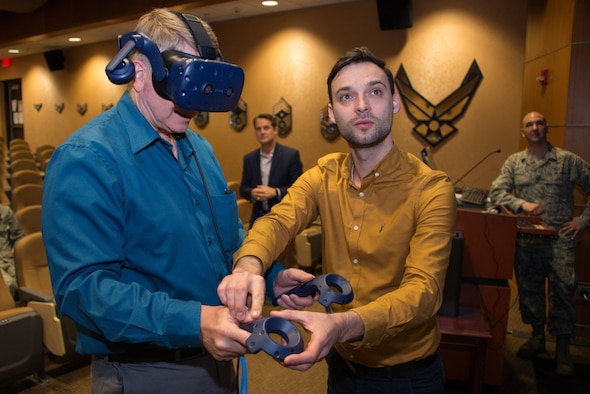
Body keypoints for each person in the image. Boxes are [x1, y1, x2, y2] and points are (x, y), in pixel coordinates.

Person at [42, 8, 257, 393]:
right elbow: (84, 291)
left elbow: (229, 243)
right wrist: (194, 322)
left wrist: (272, 277)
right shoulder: (88, 158)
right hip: (144, 372)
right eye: (182, 83)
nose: (193, 105)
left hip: (219, 360)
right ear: (139, 71)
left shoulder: (201, 149)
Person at [219, 47, 456, 393]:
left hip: (408, 376)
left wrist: (343, 325)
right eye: (347, 96)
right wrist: (249, 265)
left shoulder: (431, 188)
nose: (361, 105)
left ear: (394, 102)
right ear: (332, 112)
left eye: (375, 92)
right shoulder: (324, 174)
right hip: (342, 370)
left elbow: (424, 292)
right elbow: (278, 221)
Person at [490, 111, 590, 376]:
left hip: (561, 240)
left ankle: (564, 349)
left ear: (546, 128)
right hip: (528, 241)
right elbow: (497, 191)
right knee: (530, 292)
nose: (535, 127)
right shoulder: (515, 162)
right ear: (522, 132)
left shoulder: (567, 161)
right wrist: (521, 204)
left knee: (562, 295)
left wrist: (582, 221)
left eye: (539, 123)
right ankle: (537, 338)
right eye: (529, 125)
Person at [239, 114, 303, 229]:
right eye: (258, 129)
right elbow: (243, 188)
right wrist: (252, 193)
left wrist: (276, 192)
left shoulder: (290, 155)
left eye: (266, 128)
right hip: (258, 219)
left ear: (275, 130)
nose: (262, 132)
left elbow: (299, 188)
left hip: (283, 218)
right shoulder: (249, 158)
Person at [0, 204, 24, 298]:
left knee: (29, 281)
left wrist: (16, 246)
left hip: (9, 258)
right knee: (8, 284)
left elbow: (19, 235)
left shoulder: (5, 211)